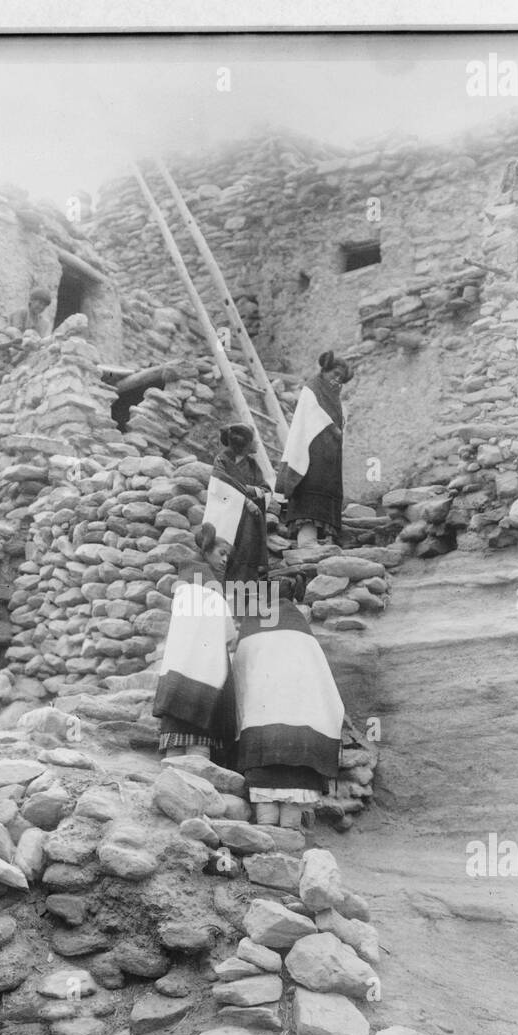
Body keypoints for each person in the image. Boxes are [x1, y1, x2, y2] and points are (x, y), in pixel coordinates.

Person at [231, 567, 345, 829]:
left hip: (261, 738)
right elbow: (321, 683)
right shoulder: (301, 629)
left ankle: (267, 856)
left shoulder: (251, 626)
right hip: (301, 742)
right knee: (292, 811)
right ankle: (289, 854)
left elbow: (239, 679)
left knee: (266, 815)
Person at [153, 522, 237, 760]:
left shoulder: (182, 587)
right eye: (221, 554)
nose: (225, 561)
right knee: (198, 750)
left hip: (176, 674)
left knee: (174, 748)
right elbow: (228, 635)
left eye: (227, 557)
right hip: (203, 679)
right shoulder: (211, 591)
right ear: (206, 552)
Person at [276, 349, 353, 547]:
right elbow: (312, 414)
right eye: (334, 375)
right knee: (310, 489)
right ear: (324, 371)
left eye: (341, 379)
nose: (337, 381)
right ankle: (306, 539)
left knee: (327, 491)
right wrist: (332, 428)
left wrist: (338, 430)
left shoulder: (335, 398)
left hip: (329, 457)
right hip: (311, 452)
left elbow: (341, 421)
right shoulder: (311, 389)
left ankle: (325, 537)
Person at [205, 423, 271, 584]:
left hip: (249, 524)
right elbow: (220, 484)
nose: (257, 443)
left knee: (246, 556)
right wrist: (246, 498)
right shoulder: (222, 460)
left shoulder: (253, 465)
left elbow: (265, 490)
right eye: (254, 440)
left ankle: (243, 592)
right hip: (227, 519)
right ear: (244, 444)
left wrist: (249, 491)